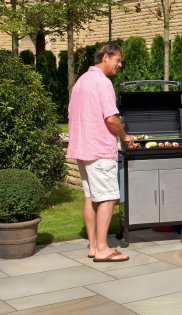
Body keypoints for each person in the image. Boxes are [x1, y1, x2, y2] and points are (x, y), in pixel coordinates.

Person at [66, 43, 133, 262]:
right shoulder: (103, 83)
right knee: (108, 197)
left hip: (82, 148)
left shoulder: (81, 82)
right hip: (99, 149)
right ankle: (104, 249)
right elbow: (111, 119)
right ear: (105, 57)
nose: (119, 65)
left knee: (90, 197)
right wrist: (124, 137)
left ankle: (94, 247)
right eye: (117, 60)